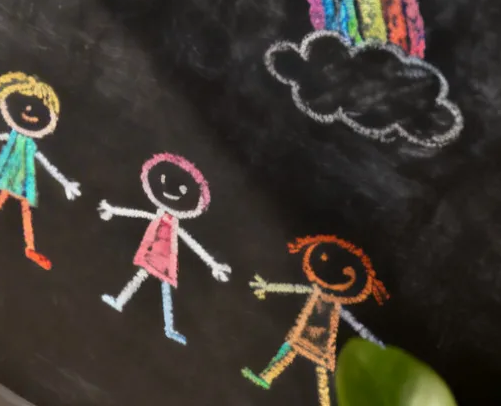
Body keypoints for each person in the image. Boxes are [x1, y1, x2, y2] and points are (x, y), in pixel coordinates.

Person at [96, 152, 231, 345]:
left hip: (165, 257)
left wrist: (212, 264)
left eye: (184, 189)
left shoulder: (173, 223)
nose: (170, 190)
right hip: (151, 252)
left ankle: (168, 327)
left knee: (162, 286)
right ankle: (123, 303)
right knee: (146, 278)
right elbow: (140, 214)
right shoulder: (160, 215)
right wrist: (113, 210)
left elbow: (190, 242)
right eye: (164, 180)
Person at [242, 234, 387, 406]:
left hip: (322, 340)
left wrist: (371, 338)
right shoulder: (318, 293)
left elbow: (355, 323)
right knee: (291, 352)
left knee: (320, 370)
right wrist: (267, 287)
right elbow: (295, 289)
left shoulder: (334, 303)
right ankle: (266, 376)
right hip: (306, 332)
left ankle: (325, 402)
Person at [0, 72, 80, 269]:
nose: (29, 110)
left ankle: (24, 244)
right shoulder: (15, 136)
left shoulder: (27, 144)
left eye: (37, 108)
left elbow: (44, 161)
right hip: (16, 177)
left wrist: (65, 183)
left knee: (17, 205)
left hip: (19, 178)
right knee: (13, 204)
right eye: (25, 104)